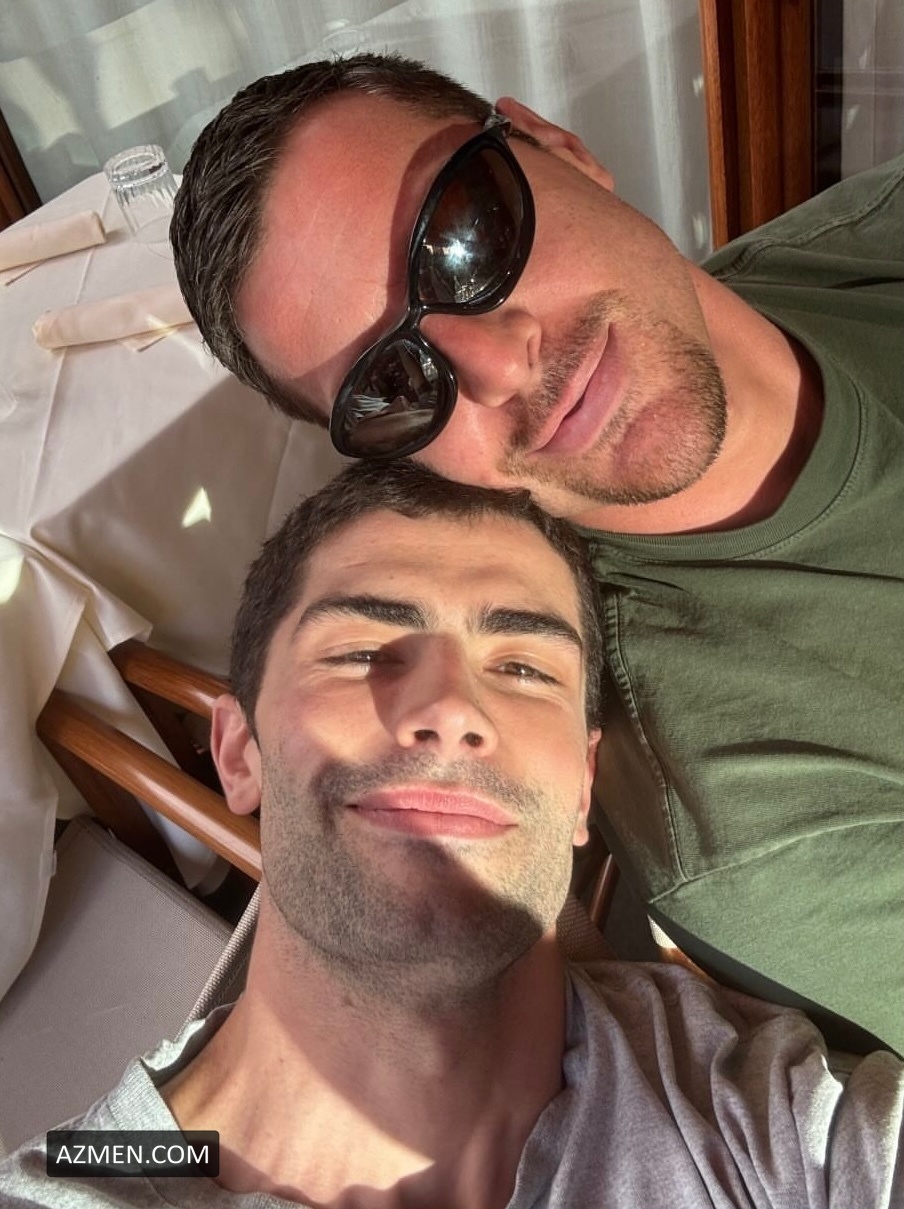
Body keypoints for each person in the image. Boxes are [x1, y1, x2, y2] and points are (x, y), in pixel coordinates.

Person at [169, 54, 904, 1056]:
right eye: (396, 384)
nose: (496, 363)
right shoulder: (767, 835)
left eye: (463, 236)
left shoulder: (867, 232)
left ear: (559, 147)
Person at [2, 460, 902, 1208]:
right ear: (239, 753)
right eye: (361, 652)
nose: (450, 709)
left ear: (584, 784)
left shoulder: (768, 1120)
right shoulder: (104, 1177)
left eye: (523, 667)